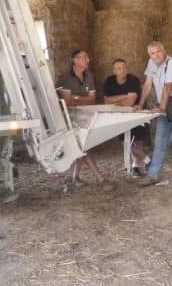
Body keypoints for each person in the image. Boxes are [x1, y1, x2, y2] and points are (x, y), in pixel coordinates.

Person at [56, 49, 112, 190]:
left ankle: (73, 178)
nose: (87, 59)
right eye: (84, 57)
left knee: (81, 146)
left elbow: (92, 100)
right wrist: (81, 99)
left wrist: (76, 98)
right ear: (75, 60)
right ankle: (101, 179)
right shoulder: (65, 78)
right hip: (67, 119)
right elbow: (68, 103)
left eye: (87, 57)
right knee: (83, 147)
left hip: (84, 116)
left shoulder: (89, 76)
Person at [135, 41, 172, 186]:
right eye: (152, 53)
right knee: (159, 143)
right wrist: (140, 104)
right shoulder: (152, 63)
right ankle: (153, 175)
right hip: (163, 108)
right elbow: (147, 84)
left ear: (163, 50)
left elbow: (168, 86)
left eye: (158, 51)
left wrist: (162, 107)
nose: (156, 55)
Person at [103, 58, 151, 176]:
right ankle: (147, 160)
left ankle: (137, 166)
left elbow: (131, 101)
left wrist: (116, 101)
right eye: (119, 68)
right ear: (114, 70)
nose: (122, 70)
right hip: (118, 116)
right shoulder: (109, 81)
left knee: (137, 139)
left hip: (135, 113)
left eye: (124, 68)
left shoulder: (133, 79)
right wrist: (125, 97)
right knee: (126, 141)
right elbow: (106, 101)